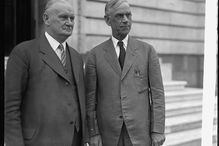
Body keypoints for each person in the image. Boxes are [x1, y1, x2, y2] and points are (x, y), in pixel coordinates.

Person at [4, 0, 88, 145]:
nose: (69, 23)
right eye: (63, 17)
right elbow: (11, 107)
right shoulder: (23, 53)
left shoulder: (76, 57)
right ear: (46, 19)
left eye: (72, 18)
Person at [85, 0, 165, 146]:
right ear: (107, 20)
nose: (125, 20)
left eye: (128, 15)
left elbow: (157, 95)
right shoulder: (94, 55)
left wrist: (158, 130)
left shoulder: (147, 51)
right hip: (108, 135)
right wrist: (93, 132)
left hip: (140, 134)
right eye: (119, 16)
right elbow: (90, 100)